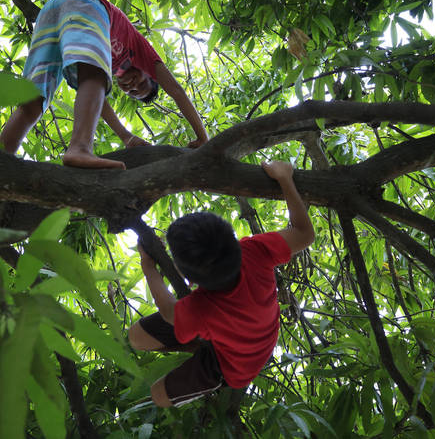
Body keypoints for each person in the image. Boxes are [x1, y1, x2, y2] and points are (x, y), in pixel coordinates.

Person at [128, 160, 315, 407]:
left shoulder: (200, 309)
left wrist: (148, 266)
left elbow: (169, 311)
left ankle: (207, 350)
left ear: (191, 280)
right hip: (242, 329)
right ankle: (204, 338)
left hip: (237, 365)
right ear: (232, 238)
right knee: (136, 337)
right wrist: (285, 178)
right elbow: (305, 233)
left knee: (159, 396)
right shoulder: (254, 250)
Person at [0, 0, 209, 169]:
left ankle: (0, 160)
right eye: (143, 83)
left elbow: (99, 105)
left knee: (33, 99)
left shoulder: (103, 72)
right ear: (149, 73)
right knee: (95, 74)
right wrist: (203, 138)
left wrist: (126, 136)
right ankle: (80, 147)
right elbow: (177, 91)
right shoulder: (141, 50)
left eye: (133, 92)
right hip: (85, 3)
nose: (134, 86)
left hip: (51, 12)